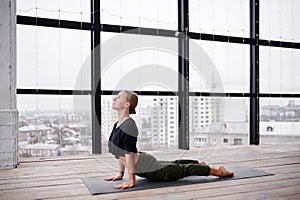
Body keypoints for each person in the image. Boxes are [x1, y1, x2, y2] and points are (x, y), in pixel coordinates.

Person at [104, 91, 233, 189]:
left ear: (127, 104)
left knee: (182, 170)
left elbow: (129, 155)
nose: (114, 98)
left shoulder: (129, 126)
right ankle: (199, 163)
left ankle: (218, 171)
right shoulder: (117, 124)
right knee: (173, 163)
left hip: (148, 167)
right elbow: (120, 153)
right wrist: (120, 174)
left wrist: (132, 181)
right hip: (144, 162)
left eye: (119, 97)